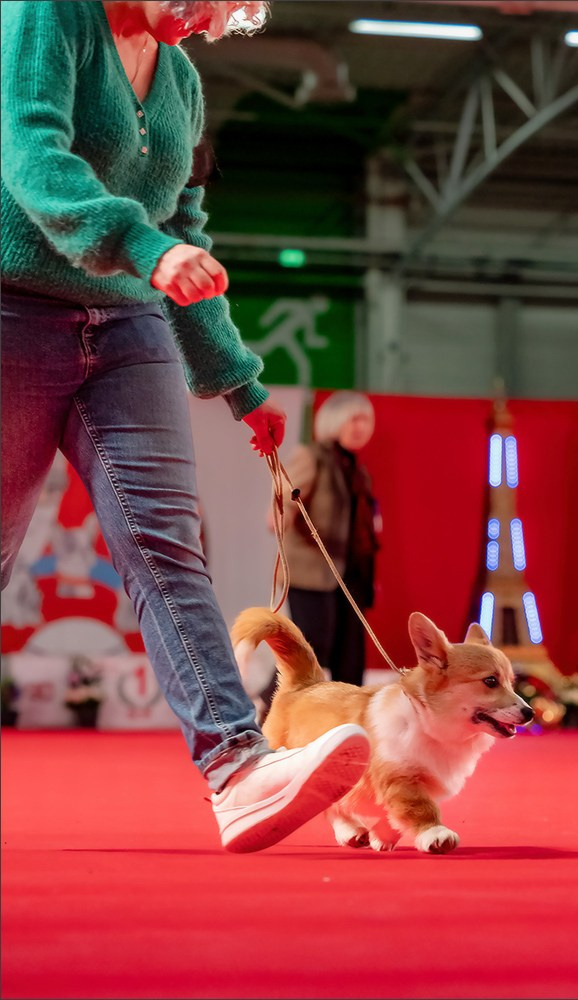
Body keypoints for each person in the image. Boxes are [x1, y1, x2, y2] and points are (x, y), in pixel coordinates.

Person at [0, 0, 370, 854]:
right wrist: (143, 244)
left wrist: (241, 384)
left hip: (130, 328)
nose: (209, 23)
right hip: (14, 309)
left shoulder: (185, 85)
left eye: (230, 14)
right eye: (208, 0)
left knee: (167, 546)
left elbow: (184, 231)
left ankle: (238, 767)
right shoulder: (48, 15)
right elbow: (31, 157)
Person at [261, 391, 379, 710]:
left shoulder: (356, 470)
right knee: (310, 649)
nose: (361, 426)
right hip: (312, 571)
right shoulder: (312, 456)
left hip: (349, 575)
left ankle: (347, 722)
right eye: (353, 419)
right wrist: (279, 516)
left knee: (350, 656)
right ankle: (268, 707)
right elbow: (283, 500)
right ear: (333, 422)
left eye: (366, 420)